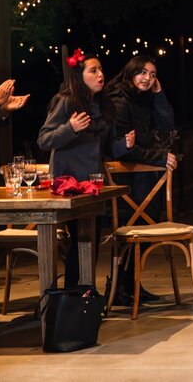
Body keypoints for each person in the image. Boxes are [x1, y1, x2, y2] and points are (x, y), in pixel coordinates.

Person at [38, 49, 135, 287]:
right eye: (94, 70)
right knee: (80, 242)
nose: (101, 74)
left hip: (93, 185)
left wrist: (125, 145)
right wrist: (69, 127)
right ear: (79, 76)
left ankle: (84, 297)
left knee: (89, 241)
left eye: (101, 69)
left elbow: (109, 147)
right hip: (68, 185)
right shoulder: (65, 101)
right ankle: (74, 297)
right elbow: (43, 140)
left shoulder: (104, 105)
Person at [105, 55, 179, 305]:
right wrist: (159, 157)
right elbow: (124, 147)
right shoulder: (118, 100)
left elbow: (167, 125)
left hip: (144, 175)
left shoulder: (145, 98)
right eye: (143, 73)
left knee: (146, 230)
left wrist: (159, 94)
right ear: (130, 73)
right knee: (128, 231)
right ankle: (117, 288)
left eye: (153, 74)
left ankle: (132, 285)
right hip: (126, 177)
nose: (148, 78)